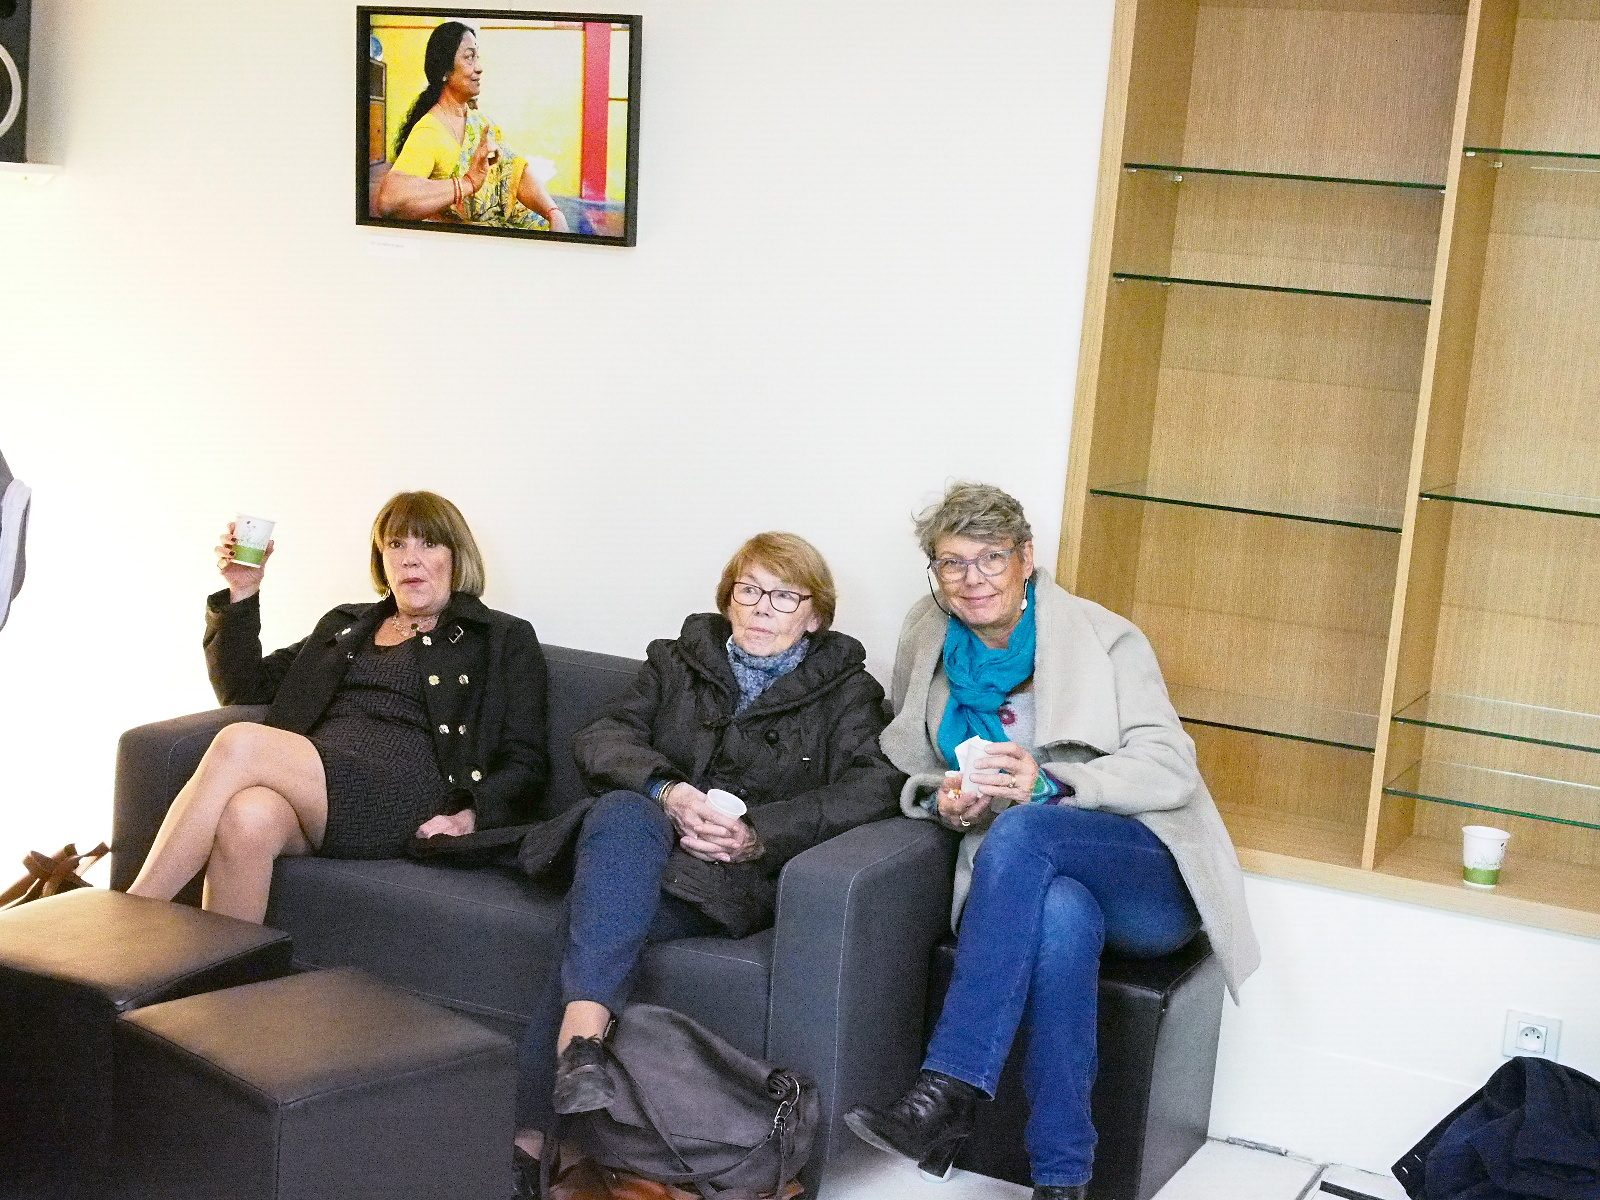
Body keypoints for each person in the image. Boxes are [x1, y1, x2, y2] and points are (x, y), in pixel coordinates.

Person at [843, 483, 1259, 1200]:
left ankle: (948, 1088)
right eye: (952, 563)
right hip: (1029, 875)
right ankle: (1063, 1179)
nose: (972, 579)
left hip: (1142, 868)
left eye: (991, 558)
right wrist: (948, 801)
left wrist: (1054, 783)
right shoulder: (928, 634)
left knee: (1029, 827)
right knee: (1059, 916)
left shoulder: (1105, 636)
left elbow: (1170, 766)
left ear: (1026, 558)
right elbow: (912, 761)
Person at [508, 532, 903, 1194]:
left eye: (784, 596)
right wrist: (671, 791)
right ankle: (579, 1057)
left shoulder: (847, 694)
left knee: (591, 919)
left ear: (815, 615)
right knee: (625, 812)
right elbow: (603, 737)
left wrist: (759, 834)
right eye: (749, 590)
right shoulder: (677, 661)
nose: (762, 608)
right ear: (728, 599)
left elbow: (873, 786)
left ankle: (536, 1132)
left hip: (724, 876)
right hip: (635, 846)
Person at [125, 491, 548, 923]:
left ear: (457, 556)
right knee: (247, 817)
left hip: (407, 793)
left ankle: (131, 914)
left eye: (429, 543)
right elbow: (244, 688)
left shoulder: (499, 637)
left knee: (240, 743)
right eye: (396, 545)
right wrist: (243, 590)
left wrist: (469, 816)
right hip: (324, 787)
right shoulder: (347, 624)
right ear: (381, 559)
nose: (410, 559)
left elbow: (526, 759)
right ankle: (226, 966)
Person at [375, 20, 571, 232]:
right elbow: (389, 201)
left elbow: (514, 171)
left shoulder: (482, 123)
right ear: (444, 71)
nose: (479, 67)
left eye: (477, 57)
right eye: (469, 57)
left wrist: (553, 212)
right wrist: (467, 183)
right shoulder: (430, 131)